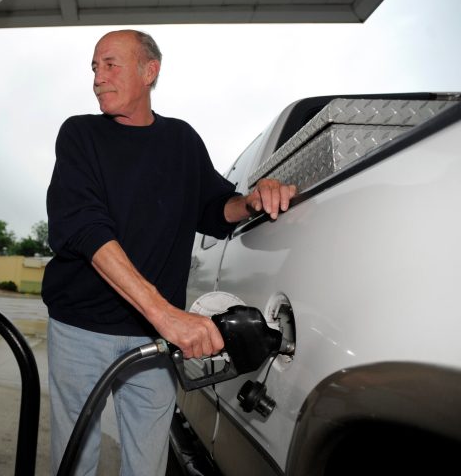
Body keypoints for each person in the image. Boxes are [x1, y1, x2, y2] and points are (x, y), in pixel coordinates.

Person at [42, 29, 296, 476]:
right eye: (94, 68)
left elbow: (216, 207)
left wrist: (252, 199)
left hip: (153, 339)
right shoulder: (79, 134)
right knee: (74, 459)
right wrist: (167, 315)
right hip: (81, 328)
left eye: (110, 64)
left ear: (149, 71)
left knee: (147, 462)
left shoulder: (181, 141)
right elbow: (84, 227)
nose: (98, 78)